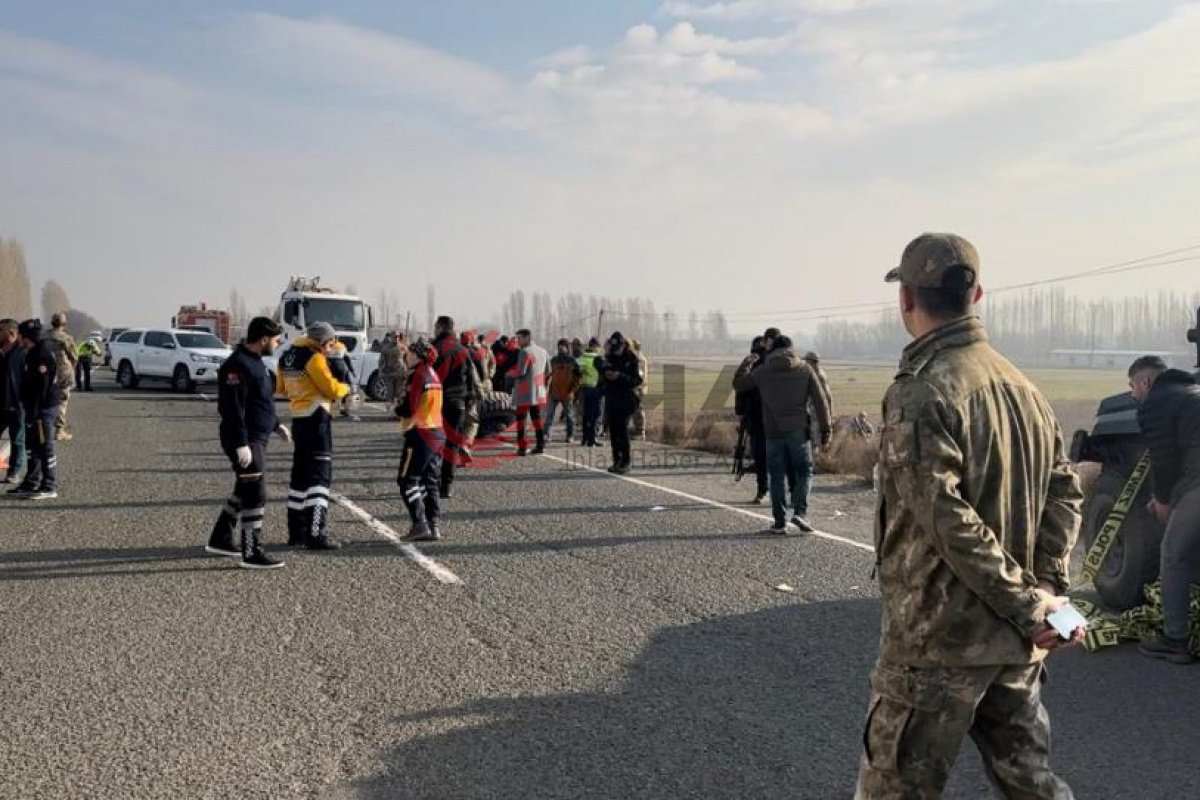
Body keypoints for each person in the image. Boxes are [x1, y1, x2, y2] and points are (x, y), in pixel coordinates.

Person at [855, 233, 1084, 799]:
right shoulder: (1023, 387)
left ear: (907, 298)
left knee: (893, 789)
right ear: (977, 293)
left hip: (938, 641)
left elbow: (945, 520)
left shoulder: (922, 389)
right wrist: (1047, 591)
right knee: (1032, 785)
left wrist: (1031, 603)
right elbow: (1065, 489)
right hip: (1014, 643)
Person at [1127, 355, 1200, 664]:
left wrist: (1164, 500)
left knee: (1173, 554)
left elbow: (1164, 458)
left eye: (1132, 386)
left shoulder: (1156, 401)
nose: (1133, 394)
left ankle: (1174, 640)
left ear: (1145, 382)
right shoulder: (1191, 393)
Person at [206, 317, 290, 569]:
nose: (277, 344)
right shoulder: (237, 365)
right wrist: (241, 442)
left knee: (244, 489)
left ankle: (220, 538)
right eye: (276, 340)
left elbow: (259, 402)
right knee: (256, 493)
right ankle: (251, 552)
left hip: (258, 437)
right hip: (245, 439)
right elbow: (232, 408)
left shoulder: (257, 364)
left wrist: (275, 424)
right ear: (263, 339)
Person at [733, 334, 830, 533]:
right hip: (798, 431)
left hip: (773, 432)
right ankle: (800, 513)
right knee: (804, 471)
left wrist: (746, 363)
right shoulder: (805, 368)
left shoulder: (764, 371)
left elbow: (739, 384)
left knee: (776, 476)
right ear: (792, 349)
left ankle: (779, 522)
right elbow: (821, 401)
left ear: (772, 350)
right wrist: (826, 428)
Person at [277, 322, 350, 550]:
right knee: (320, 477)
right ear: (321, 342)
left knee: (299, 476)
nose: (330, 349)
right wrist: (346, 388)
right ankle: (316, 533)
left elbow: (281, 388)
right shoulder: (314, 358)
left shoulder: (286, 356)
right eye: (329, 344)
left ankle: (296, 533)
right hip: (317, 419)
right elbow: (330, 389)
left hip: (298, 418)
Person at [396, 337, 445, 542]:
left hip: (420, 432)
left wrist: (396, 409)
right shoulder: (434, 374)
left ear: (417, 356)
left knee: (407, 480)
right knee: (430, 481)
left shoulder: (416, 375)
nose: (406, 355)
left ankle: (420, 523)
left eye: (409, 352)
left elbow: (410, 406)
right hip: (437, 432)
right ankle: (433, 524)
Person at [7, 320, 60, 500]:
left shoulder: (41, 354)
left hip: (42, 409)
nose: (19, 339)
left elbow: (41, 388)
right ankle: (31, 482)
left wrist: (34, 413)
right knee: (33, 446)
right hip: (33, 408)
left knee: (45, 446)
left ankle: (49, 485)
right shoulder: (32, 353)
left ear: (25, 337)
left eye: (20, 335)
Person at [432, 316, 476, 499]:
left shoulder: (434, 349)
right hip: (458, 404)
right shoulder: (463, 351)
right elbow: (471, 381)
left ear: (441, 328)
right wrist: (469, 402)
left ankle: (431, 481)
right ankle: (446, 486)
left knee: (433, 444)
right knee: (452, 445)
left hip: (435, 403)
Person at [599, 332, 642, 474]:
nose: (615, 350)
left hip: (626, 399)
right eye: (613, 347)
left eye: (618, 348)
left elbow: (637, 380)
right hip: (612, 398)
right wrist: (606, 371)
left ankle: (626, 461)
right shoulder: (609, 356)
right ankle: (617, 460)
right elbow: (598, 365)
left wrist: (620, 376)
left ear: (624, 345)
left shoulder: (632, 359)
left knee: (622, 430)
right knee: (613, 431)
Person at [733, 336, 769, 504]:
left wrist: (740, 413)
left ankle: (763, 490)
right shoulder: (772, 363)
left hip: (754, 415)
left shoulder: (751, 364)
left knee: (760, 455)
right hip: (773, 416)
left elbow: (740, 390)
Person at [511, 329, 550, 456]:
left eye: (519, 338)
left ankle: (523, 447)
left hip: (525, 391)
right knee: (537, 419)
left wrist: (509, 374)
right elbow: (548, 370)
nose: (517, 341)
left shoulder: (524, 351)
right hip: (539, 390)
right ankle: (540, 445)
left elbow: (521, 372)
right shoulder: (543, 351)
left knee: (521, 420)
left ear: (527, 337)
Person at [0, 319, 27, 484]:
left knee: (17, 439)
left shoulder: (23, 353)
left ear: (11, 333)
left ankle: (13, 472)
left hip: (17, 405)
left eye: (0, 330)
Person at [44, 312, 77, 442]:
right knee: (62, 401)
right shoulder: (66, 338)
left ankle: (44, 427)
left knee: (46, 400)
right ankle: (59, 430)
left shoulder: (44, 337)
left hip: (46, 372)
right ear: (64, 324)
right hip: (63, 373)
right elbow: (74, 357)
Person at [546, 338, 581, 443]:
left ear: (567, 347)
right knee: (549, 415)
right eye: (559, 345)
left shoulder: (573, 361)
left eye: (563, 345)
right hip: (554, 392)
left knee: (569, 417)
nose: (561, 347)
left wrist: (572, 390)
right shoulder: (554, 360)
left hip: (567, 394)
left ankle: (570, 435)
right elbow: (549, 374)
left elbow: (578, 377)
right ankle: (546, 434)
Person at [804, 351, 834, 457]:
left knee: (818, 438)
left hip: (818, 412)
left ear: (813, 362)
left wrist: (829, 415)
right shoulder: (814, 374)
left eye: (807, 361)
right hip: (814, 410)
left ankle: (819, 462)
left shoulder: (819, 376)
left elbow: (827, 397)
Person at [578, 337, 604, 448]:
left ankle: (584, 438)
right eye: (599, 347)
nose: (600, 349)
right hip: (595, 388)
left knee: (586, 414)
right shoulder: (597, 358)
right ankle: (592, 440)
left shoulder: (582, 357)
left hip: (584, 388)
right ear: (595, 347)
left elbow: (577, 371)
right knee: (595, 414)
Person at [326, 339, 360, 421]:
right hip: (342, 369)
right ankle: (344, 410)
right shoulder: (341, 345)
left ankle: (331, 412)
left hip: (333, 369)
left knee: (332, 390)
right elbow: (347, 358)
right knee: (346, 389)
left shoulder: (327, 346)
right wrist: (352, 371)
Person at [630, 338, 649, 439]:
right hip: (638, 387)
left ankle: (640, 432)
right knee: (635, 409)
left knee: (639, 409)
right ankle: (637, 430)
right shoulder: (638, 357)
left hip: (639, 388)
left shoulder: (638, 359)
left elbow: (640, 375)